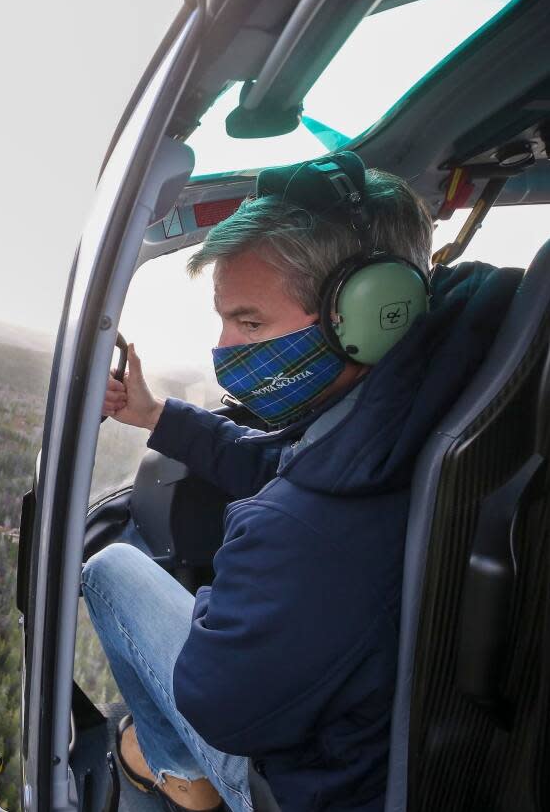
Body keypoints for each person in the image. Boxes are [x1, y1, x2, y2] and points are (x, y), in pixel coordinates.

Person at [84, 152, 522, 812]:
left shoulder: (302, 531)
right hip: (413, 746)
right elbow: (284, 461)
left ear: (375, 312)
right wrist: (155, 415)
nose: (226, 347)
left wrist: (214, 603)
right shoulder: (437, 390)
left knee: (112, 568)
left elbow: (213, 702)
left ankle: (178, 777)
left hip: (311, 789)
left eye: (250, 321)